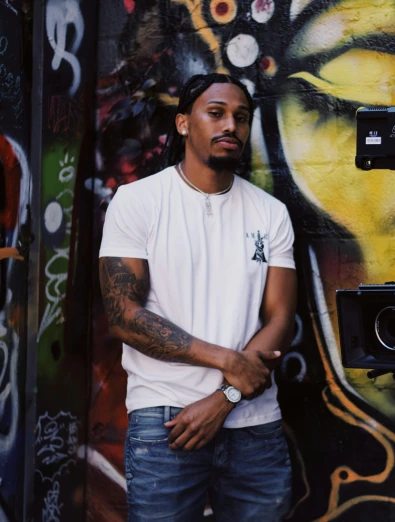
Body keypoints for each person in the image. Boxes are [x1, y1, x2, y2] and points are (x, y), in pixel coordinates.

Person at [98, 73, 296, 522]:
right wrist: (228, 361)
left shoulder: (271, 213)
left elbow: (281, 319)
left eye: (241, 118)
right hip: (167, 421)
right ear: (184, 124)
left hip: (254, 422)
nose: (231, 125)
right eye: (217, 113)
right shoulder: (138, 202)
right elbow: (124, 316)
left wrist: (224, 397)